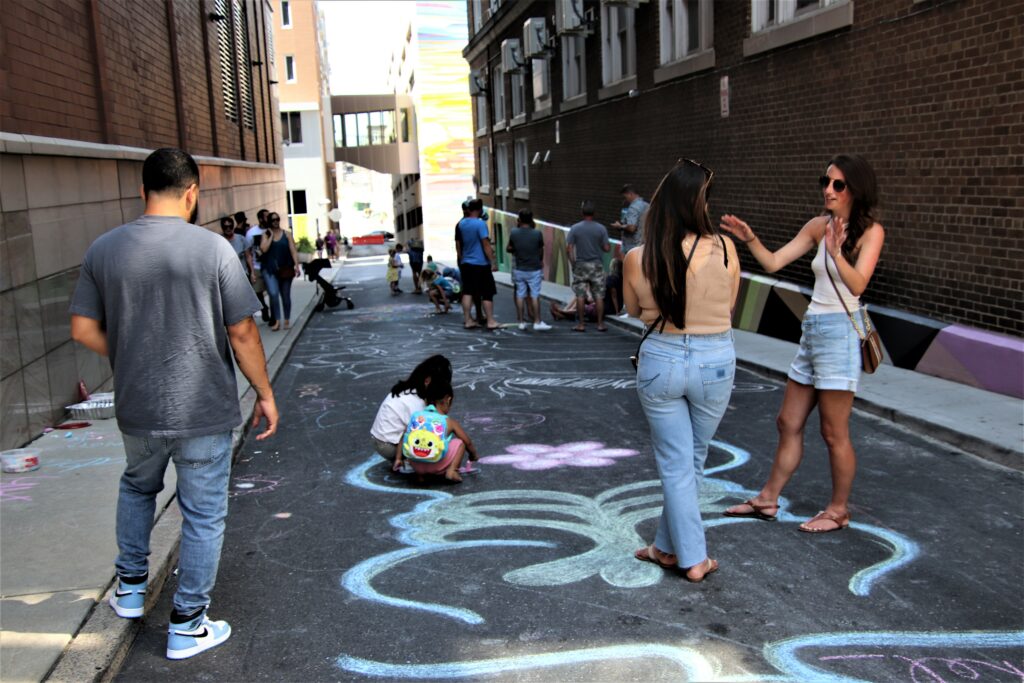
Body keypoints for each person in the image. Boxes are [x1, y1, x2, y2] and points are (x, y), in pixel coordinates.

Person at [69, 148, 278, 660]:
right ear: (192, 193)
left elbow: (82, 328)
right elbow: (242, 330)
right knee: (203, 514)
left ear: (142, 192)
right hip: (203, 408)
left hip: (138, 406)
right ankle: (187, 624)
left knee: (138, 486)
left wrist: (130, 354)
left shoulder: (103, 249)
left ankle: (132, 589)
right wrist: (265, 394)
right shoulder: (213, 251)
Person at [720, 154, 885, 533]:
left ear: (855, 190)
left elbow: (858, 284)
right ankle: (767, 499)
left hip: (840, 334)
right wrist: (751, 239)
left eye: (837, 184)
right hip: (812, 330)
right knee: (787, 421)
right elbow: (774, 262)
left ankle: (838, 510)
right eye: (825, 182)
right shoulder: (817, 225)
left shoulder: (871, 232)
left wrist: (835, 250)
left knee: (833, 432)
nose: (828, 190)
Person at [624, 158, 740, 583]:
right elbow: (728, 307)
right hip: (714, 359)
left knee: (677, 463)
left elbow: (635, 311)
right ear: (699, 203)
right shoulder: (726, 248)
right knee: (690, 460)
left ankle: (679, 554)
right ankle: (680, 553)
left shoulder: (638, 257)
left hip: (662, 359)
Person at [370, 355, 454, 468]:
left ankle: (400, 460)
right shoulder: (418, 402)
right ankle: (412, 464)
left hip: (378, 440)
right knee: (432, 442)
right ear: (428, 381)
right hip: (389, 446)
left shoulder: (406, 390)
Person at [401, 380, 479, 483]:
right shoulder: (448, 421)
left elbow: (404, 436)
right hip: (437, 465)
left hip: (416, 465)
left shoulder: (416, 417)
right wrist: (473, 455)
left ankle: (420, 476)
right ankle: (452, 471)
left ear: (425, 400)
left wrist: (400, 458)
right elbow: (467, 442)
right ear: (448, 400)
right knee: (460, 443)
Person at [566, 201, 611, 332]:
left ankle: (581, 324)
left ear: (582, 212)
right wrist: (600, 246)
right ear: (594, 213)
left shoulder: (575, 228)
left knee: (580, 295)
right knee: (598, 295)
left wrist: (573, 263)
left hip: (580, 264)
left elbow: (569, 248)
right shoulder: (601, 228)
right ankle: (600, 324)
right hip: (596, 265)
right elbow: (607, 248)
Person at [456, 199, 499, 330]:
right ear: (479, 210)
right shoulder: (480, 224)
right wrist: (492, 261)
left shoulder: (461, 224)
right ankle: (491, 321)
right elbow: (485, 244)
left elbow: (458, 244)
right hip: (481, 264)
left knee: (468, 292)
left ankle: (468, 320)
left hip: (467, 263)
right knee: (487, 292)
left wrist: (462, 259)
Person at [506, 209, 551, 331]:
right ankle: (537, 321)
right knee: (535, 295)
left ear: (519, 219)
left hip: (520, 268)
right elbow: (540, 250)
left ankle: (521, 321)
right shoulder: (537, 234)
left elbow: (509, 248)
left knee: (520, 294)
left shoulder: (514, 232)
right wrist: (539, 260)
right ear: (531, 219)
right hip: (534, 268)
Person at [259, 212, 300, 331]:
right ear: (269, 222)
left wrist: (296, 265)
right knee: (273, 293)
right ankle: (277, 320)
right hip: (270, 270)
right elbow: (264, 249)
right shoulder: (265, 235)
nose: (276, 221)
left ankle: (286, 319)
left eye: (277, 219)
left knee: (285, 296)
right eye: (273, 220)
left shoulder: (287, 234)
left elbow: (293, 250)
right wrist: (271, 236)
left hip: (285, 269)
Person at [244, 214, 272, 324]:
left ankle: (274, 317)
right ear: (260, 219)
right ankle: (264, 307)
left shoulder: (271, 231)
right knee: (257, 292)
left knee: (272, 292)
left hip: (270, 266)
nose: (268, 219)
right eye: (266, 217)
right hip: (257, 266)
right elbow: (248, 251)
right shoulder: (251, 233)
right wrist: (251, 270)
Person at [611, 184, 649, 256]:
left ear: (630, 194)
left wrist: (620, 226)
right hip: (644, 246)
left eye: (625, 197)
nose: (626, 200)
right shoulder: (647, 205)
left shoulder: (633, 207)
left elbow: (632, 227)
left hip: (632, 247)